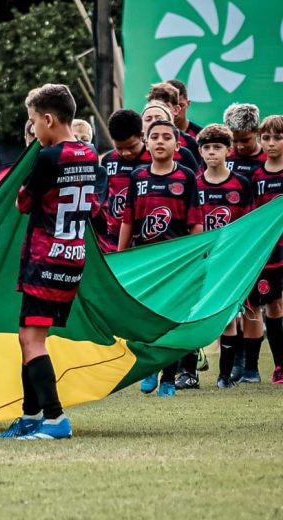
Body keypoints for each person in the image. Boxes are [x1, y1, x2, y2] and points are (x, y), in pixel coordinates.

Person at [0, 83, 100, 440]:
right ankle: (31, 416)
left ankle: (55, 419)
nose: (34, 129)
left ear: (49, 119)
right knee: (28, 336)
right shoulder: (89, 153)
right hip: (72, 257)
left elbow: (23, 203)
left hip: (45, 259)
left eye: (34, 122)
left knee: (31, 340)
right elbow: (94, 206)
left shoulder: (48, 157)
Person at [119, 118, 202, 396]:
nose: (160, 141)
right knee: (145, 317)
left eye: (167, 137)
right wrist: (121, 256)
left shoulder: (186, 177)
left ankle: (168, 377)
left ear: (177, 145)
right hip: (145, 260)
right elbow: (128, 219)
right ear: (146, 143)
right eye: (155, 137)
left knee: (171, 319)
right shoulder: (138, 176)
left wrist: (195, 256)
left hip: (176, 263)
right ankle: (149, 368)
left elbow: (195, 222)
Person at [191, 124, 254, 389]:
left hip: (230, 263)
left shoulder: (241, 184)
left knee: (228, 317)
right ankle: (188, 372)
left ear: (228, 150)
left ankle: (224, 376)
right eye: (206, 147)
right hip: (201, 263)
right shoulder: (194, 183)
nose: (211, 152)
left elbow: (249, 226)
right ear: (200, 152)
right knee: (194, 315)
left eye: (217, 147)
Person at [223, 103, 268, 381]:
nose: (238, 146)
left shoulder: (268, 159)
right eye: (234, 140)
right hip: (230, 245)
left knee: (254, 306)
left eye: (245, 140)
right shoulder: (224, 157)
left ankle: (251, 366)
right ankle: (236, 360)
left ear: (257, 133)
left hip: (261, 245)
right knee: (230, 306)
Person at [250, 114, 283, 384]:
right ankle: (279, 365)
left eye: (278, 138)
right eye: (266, 138)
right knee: (273, 305)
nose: (271, 143)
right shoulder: (256, 176)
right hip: (270, 253)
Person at [99, 109, 148, 253]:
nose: (126, 153)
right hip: (113, 239)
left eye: (132, 147)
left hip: (145, 241)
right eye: (119, 148)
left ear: (141, 136)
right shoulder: (108, 160)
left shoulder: (154, 159)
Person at [146, 82, 201, 161]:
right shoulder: (138, 141)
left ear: (175, 109)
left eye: (165, 106)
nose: (160, 110)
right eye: (157, 106)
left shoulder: (191, 143)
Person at [140, 101, 200, 171]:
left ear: (170, 122)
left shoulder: (185, 153)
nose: (154, 122)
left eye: (159, 119)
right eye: (148, 119)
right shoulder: (134, 151)